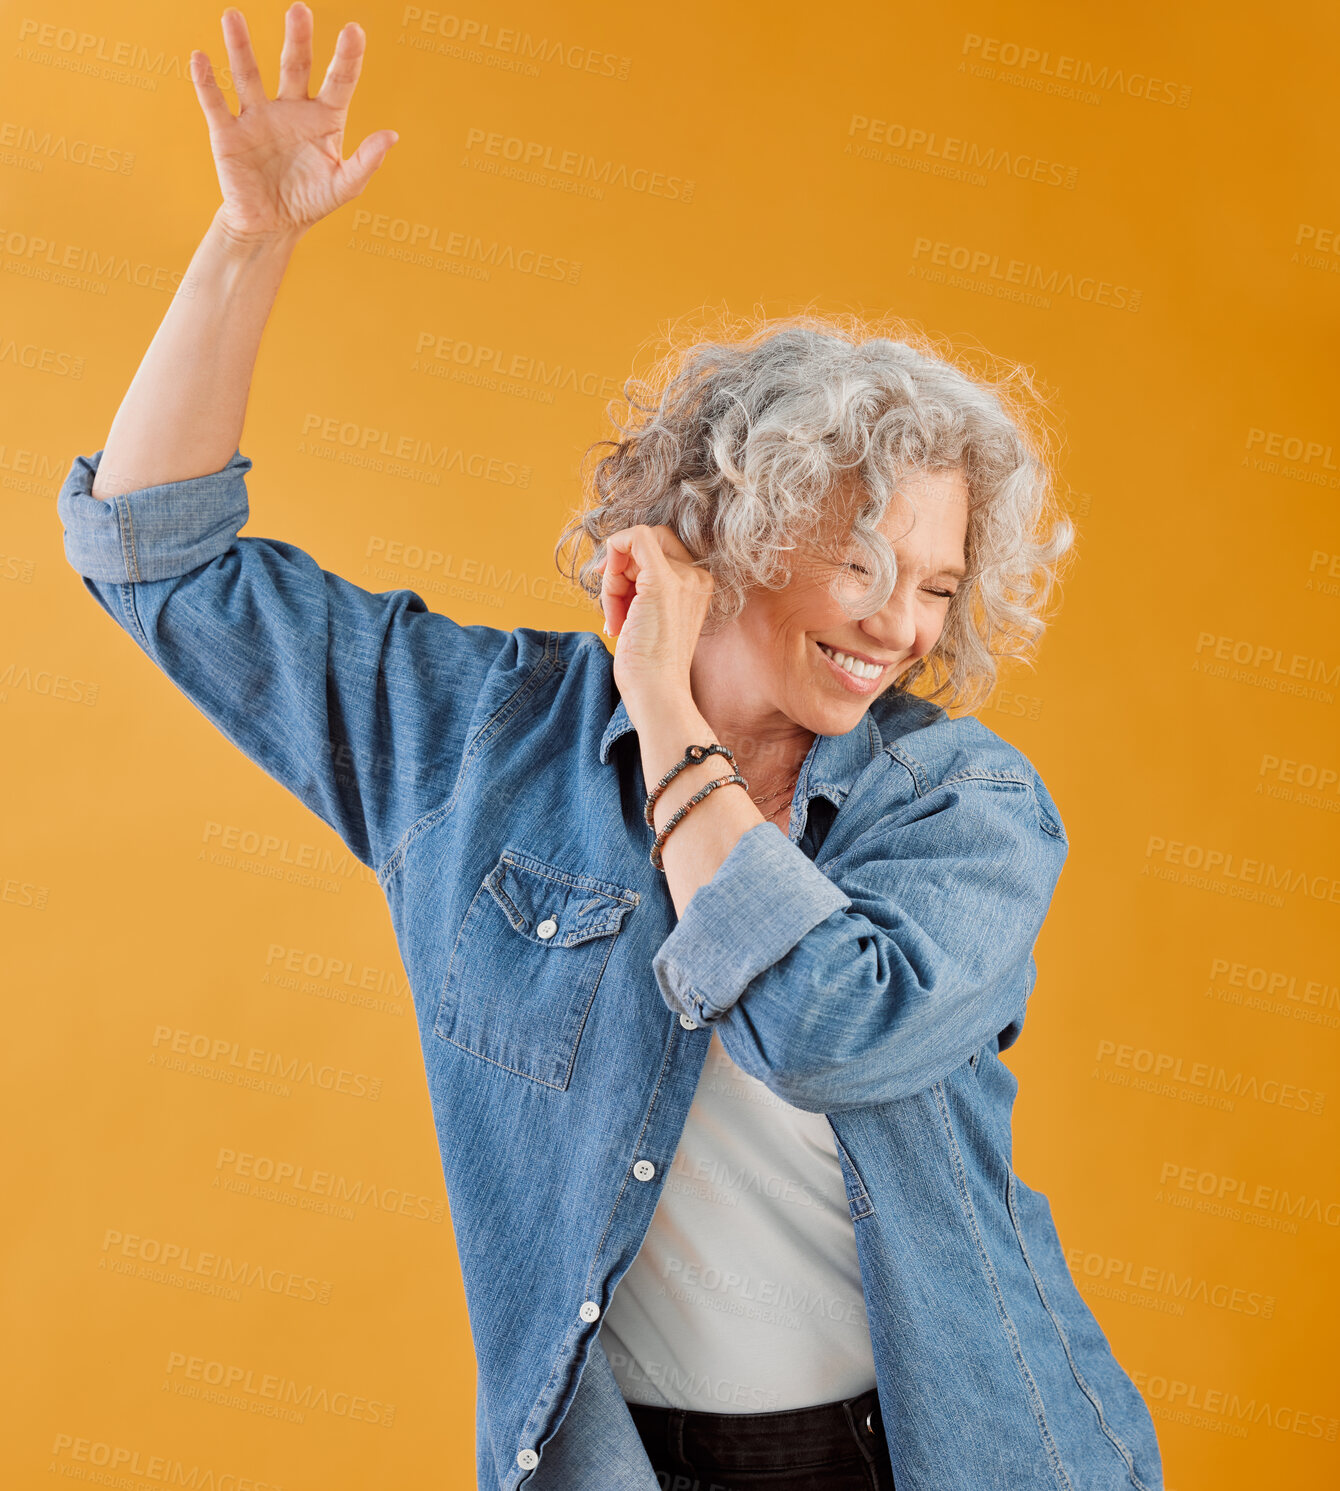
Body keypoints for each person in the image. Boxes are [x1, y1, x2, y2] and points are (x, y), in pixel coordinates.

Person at [55, 7, 1165, 1490]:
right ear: (734, 528)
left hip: (960, 1453)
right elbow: (158, 563)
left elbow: (822, 1028)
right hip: (622, 1465)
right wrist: (245, 242)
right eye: (862, 563)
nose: (904, 627)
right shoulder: (476, 743)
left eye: (943, 587)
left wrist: (668, 717)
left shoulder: (960, 805)